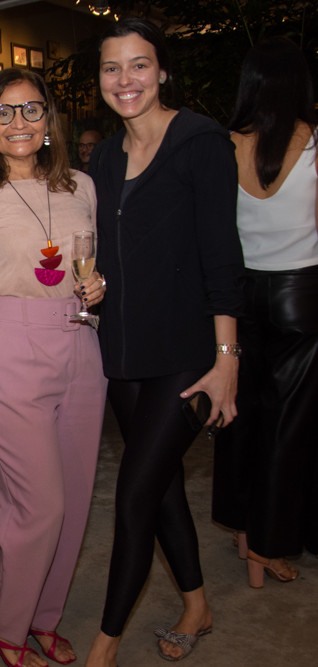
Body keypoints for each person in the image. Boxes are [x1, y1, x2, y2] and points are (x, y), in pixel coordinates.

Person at [83, 18, 244, 666]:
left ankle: (104, 644)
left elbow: (222, 257)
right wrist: (91, 282)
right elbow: (109, 249)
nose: (126, 80)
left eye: (139, 65)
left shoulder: (201, 142)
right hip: (121, 354)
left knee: (132, 494)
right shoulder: (101, 155)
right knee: (163, 486)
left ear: (163, 71)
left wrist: (227, 361)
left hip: (186, 354)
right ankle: (197, 602)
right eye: (113, 68)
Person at [0, 68, 107, 667]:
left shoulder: (82, 187)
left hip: (81, 346)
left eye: (31, 110)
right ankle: (3, 623)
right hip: (10, 352)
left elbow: (88, 270)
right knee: (39, 506)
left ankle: (44, 617)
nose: (19, 123)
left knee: (77, 498)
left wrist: (96, 287)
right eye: (4, 112)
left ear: (50, 121)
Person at [212, 36, 318, 585]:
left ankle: (241, 529)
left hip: (237, 298)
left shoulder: (223, 145)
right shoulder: (315, 142)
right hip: (302, 296)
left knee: (237, 412)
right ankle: (268, 547)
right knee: (287, 426)